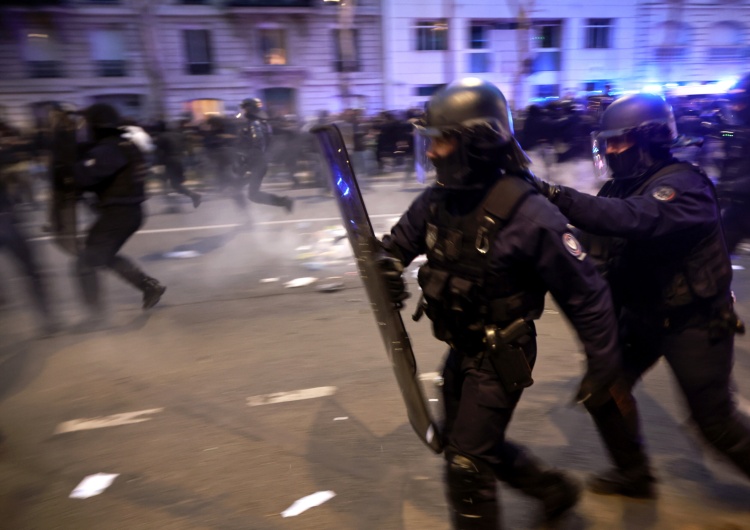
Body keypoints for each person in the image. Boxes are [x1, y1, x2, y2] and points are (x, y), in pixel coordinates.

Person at [377, 78, 622, 529]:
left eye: (442, 142)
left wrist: (603, 366)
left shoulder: (530, 215)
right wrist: (386, 268)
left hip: (501, 352)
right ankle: (551, 488)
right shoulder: (438, 201)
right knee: (463, 441)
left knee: (467, 467)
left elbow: (586, 295)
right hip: (462, 347)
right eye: (429, 142)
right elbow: (393, 247)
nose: (431, 153)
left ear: (480, 142)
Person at [535, 92, 750, 497]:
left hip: (695, 323)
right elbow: (591, 242)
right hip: (643, 316)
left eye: (620, 141)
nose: (612, 150)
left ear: (649, 139)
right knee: (603, 390)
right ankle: (634, 475)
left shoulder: (683, 185)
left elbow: (636, 219)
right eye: (608, 142)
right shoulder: (619, 188)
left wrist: (556, 195)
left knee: (715, 423)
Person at [73, 103, 166, 323]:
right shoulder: (124, 144)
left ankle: (95, 317)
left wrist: (70, 165)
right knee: (102, 256)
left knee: (85, 262)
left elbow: (85, 178)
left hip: (119, 213)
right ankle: (148, 286)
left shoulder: (109, 149)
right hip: (128, 212)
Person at [236, 98, 293, 213]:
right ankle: (283, 202)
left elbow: (257, 144)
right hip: (256, 162)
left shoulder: (255, 124)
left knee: (252, 194)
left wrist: (248, 165)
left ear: (250, 108)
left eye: (245, 108)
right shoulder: (260, 122)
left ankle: (284, 201)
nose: (243, 111)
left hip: (256, 163)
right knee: (238, 189)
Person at [716, 73, 750, 255]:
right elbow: (733, 163)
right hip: (737, 207)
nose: (736, 108)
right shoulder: (742, 129)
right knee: (715, 259)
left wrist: (729, 187)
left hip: (741, 201)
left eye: (742, 102)